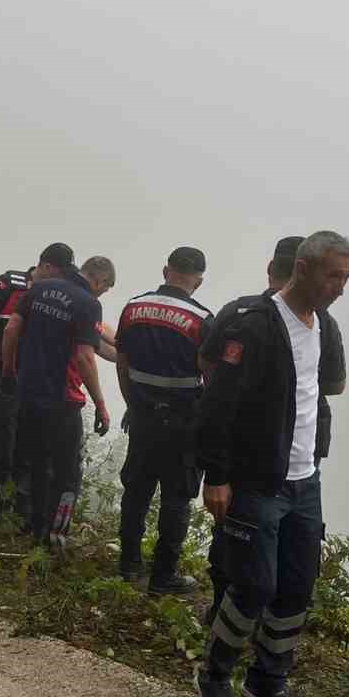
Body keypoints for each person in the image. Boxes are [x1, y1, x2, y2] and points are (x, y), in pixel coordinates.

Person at [192, 231, 349, 697]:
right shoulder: (255, 324)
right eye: (334, 275)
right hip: (256, 481)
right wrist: (217, 476)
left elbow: (323, 390)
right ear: (302, 268)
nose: (340, 288)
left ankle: (268, 682)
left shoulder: (324, 325)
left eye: (347, 278)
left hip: (305, 480)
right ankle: (215, 675)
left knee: (296, 588)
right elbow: (217, 404)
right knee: (253, 586)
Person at [114, 246, 213, 594]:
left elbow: (122, 362)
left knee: (136, 490)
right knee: (176, 498)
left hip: (141, 417)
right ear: (198, 282)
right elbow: (212, 378)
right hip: (184, 425)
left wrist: (133, 404)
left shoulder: (133, 307)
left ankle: (128, 565)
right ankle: (163, 577)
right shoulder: (202, 319)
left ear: (165, 270)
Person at [3, 255, 115, 547]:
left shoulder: (39, 288)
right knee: (68, 475)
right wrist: (101, 404)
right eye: (104, 289)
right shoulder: (88, 303)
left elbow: (11, 329)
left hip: (28, 394)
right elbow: (84, 356)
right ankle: (57, 537)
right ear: (100, 281)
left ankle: (36, 529)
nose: (101, 294)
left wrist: (7, 370)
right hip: (62, 400)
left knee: (39, 465)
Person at [0, 256, 43, 514]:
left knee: (26, 448)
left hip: (33, 382)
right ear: (45, 267)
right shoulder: (9, 284)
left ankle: (19, 511)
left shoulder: (50, 294)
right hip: (0, 375)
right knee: (1, 444)